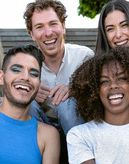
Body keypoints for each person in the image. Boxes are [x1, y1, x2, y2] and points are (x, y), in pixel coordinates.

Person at [23, 0, 94, 135]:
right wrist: (26, 94)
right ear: (32, 34)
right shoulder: (24, 65)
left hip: (79, 128)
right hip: (43, 130)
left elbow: (99, 95)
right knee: (27, 104)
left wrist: (75, 90)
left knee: (66, 104)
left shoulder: (85, 56)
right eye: (39, 27)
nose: (48, 33)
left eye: (53, 24)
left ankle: (80, 154)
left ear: (63, 26)